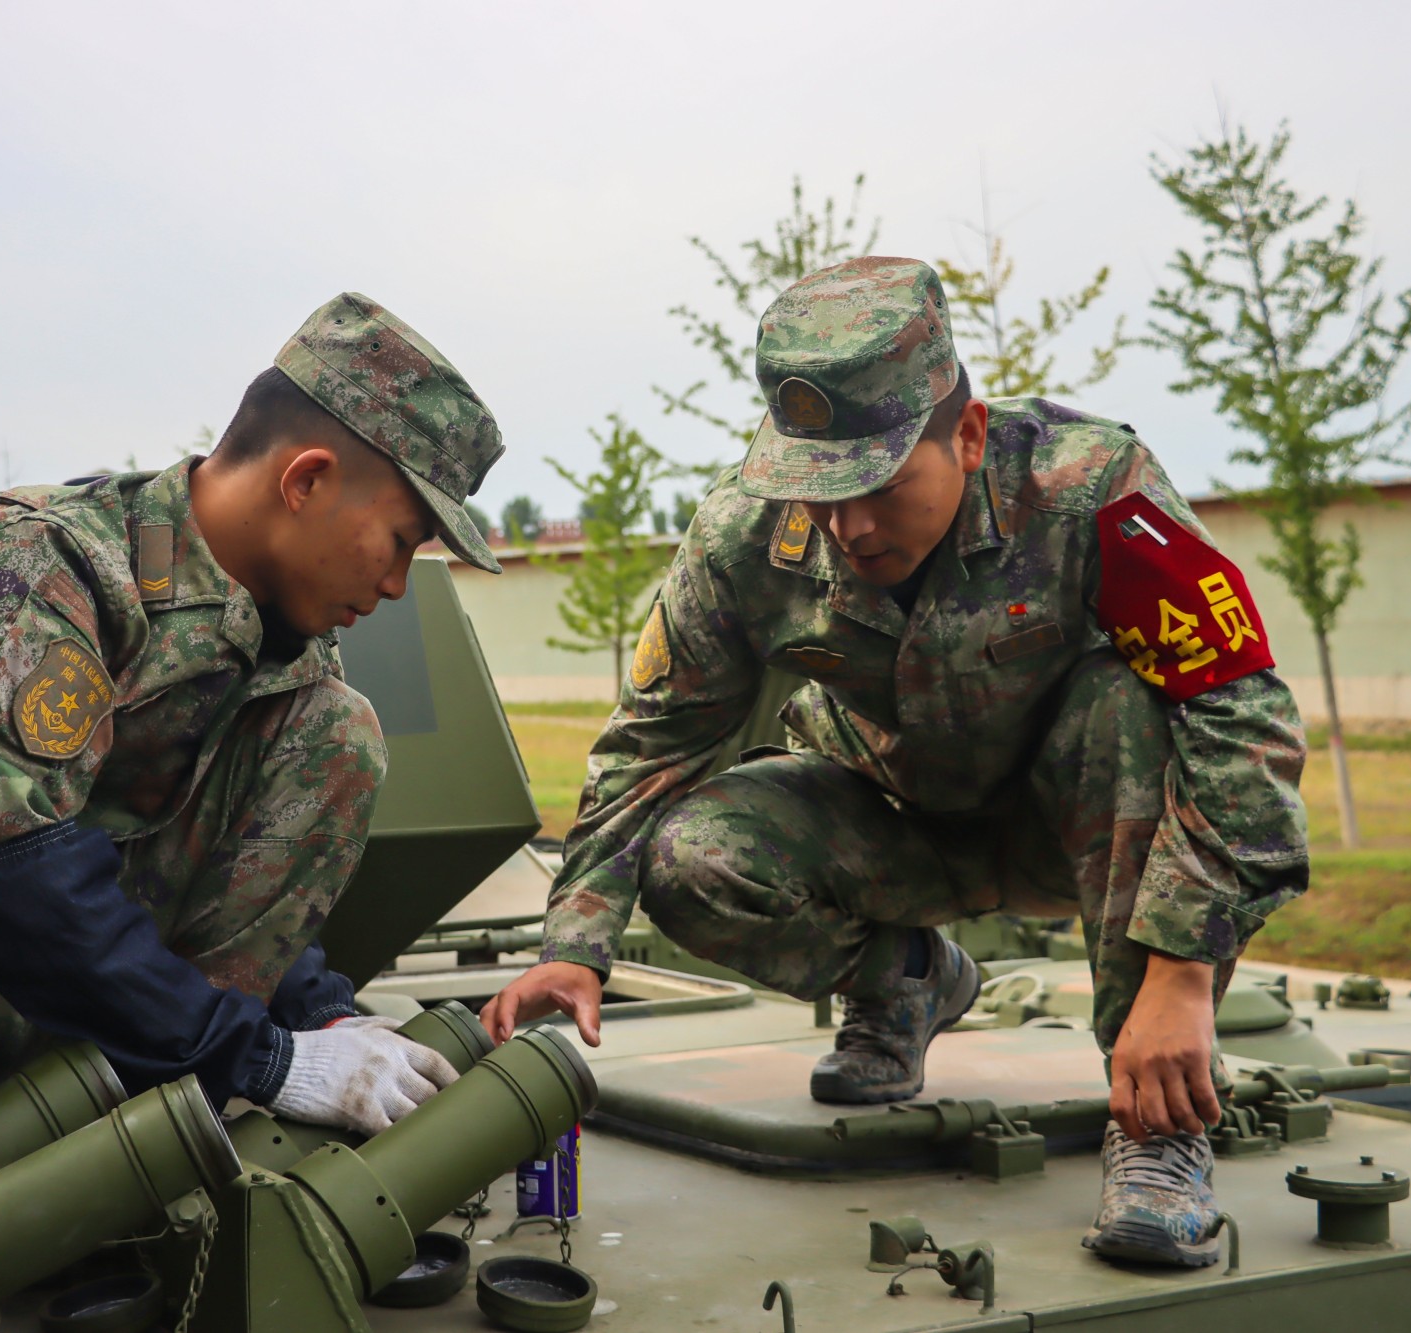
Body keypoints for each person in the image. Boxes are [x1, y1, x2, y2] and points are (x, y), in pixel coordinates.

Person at [482, 257, 1309, 1269]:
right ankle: (907, 979)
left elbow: (1241, 721)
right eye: (814, 489)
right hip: (893, 829)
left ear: (966, 435)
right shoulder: (743, 540)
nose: (848, 525)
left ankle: (1155, 1131)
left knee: (1120, 705)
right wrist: (574, 943)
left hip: (1085, 824)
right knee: (693, 851)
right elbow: (653, 740)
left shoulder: (1087, 490)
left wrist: (1180, 979)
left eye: (876, 484)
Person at [0, 292, 506, 1168]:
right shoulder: (43, 560)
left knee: (338, 731)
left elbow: (214, 876)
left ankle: (152, 1153)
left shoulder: (283, 654)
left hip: (85, 1045)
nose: (400, 583)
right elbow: (18, 875)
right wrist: (267, 1060)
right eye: (402, 539)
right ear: (305, 481)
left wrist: (325, 1021)